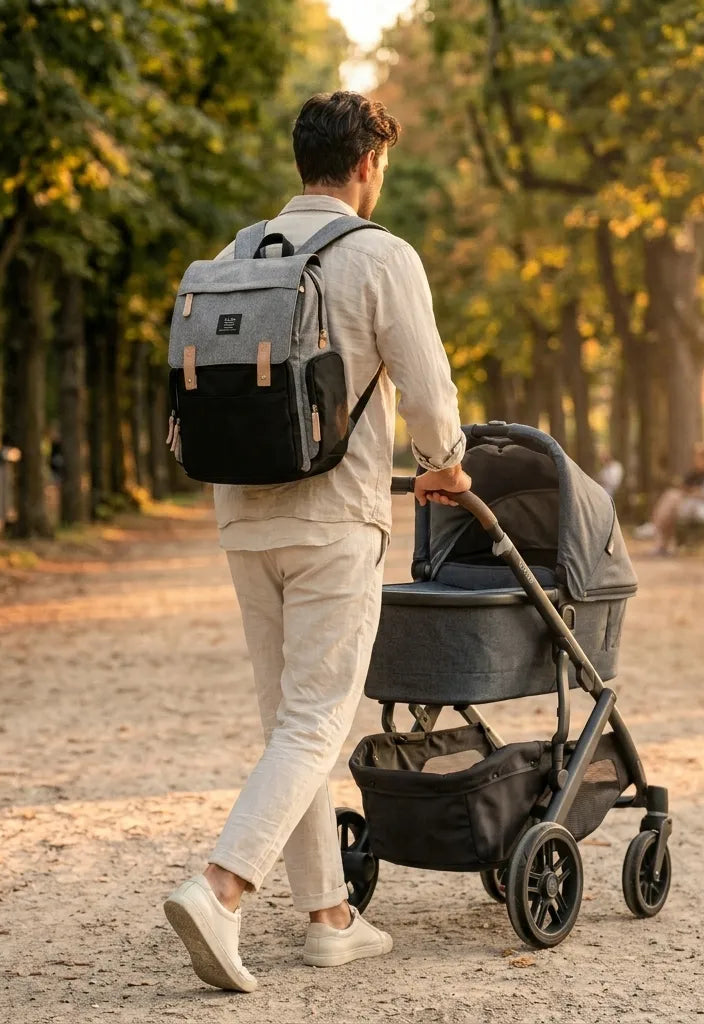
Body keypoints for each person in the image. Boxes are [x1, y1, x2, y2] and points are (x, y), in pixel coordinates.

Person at [163, 91, 470, 994]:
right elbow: (428, 389)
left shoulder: (236, 255)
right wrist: (443, 465)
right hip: (334, 513)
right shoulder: (380, 255)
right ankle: (221, 888)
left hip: (241, 512)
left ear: (304, 161)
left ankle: (330, 917)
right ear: (368, 163)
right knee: (315, 719)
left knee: (287, 724)